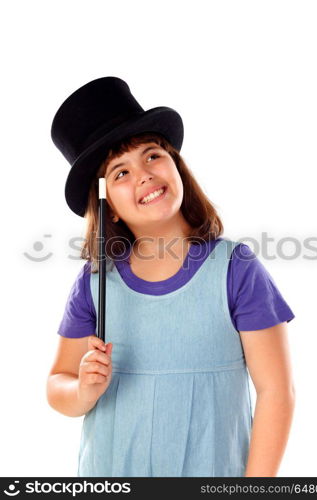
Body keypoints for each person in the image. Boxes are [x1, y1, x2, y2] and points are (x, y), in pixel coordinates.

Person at [46, 76, 296, 477]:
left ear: (176, 164)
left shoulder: (235, 268)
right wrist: (82, 390)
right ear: (108, 206)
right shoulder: (94, 283)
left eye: (152, 155)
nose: (143, 174)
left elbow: (275, 393)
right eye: (120, 173)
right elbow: (58, 384)